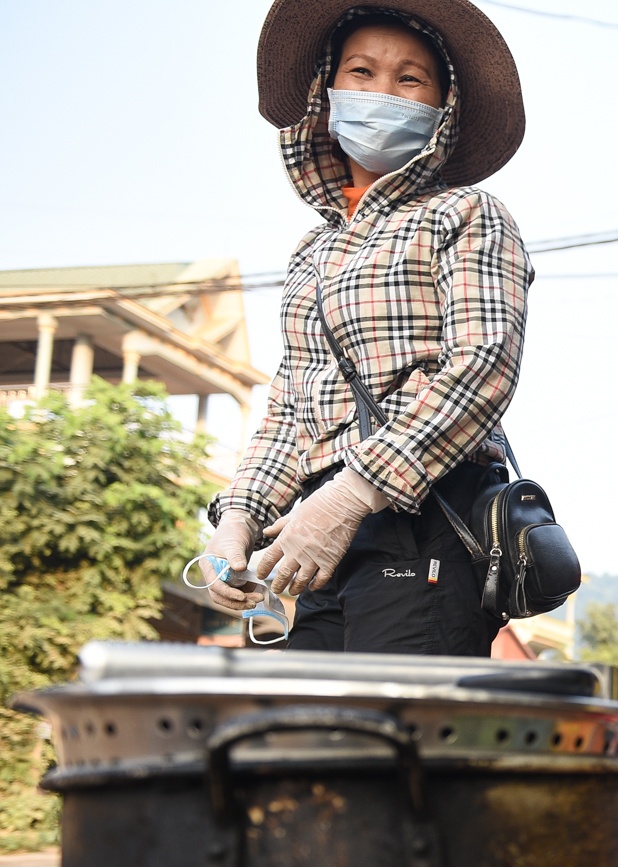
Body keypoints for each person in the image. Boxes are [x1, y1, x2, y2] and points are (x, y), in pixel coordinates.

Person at [202, 0, 532, 655]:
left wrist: (348, 497)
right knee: (297, 742)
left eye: (410, 79)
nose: (384, 91)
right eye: (361, 71)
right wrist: (239, 516)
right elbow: (293, 406)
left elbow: (483, 363)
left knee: (386, 745)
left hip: (427, 521)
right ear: (326, 96)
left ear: (444, 107)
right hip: (325, 548)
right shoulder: (314, 250)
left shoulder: (465, 214)